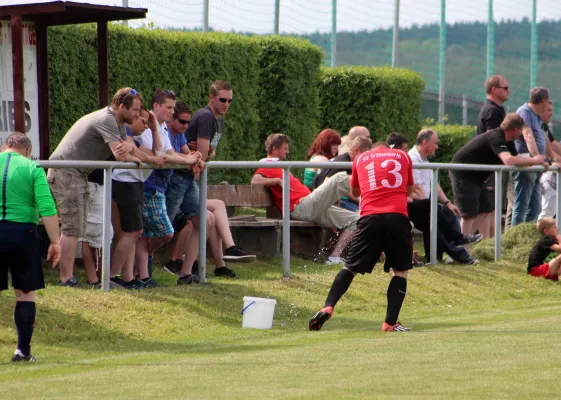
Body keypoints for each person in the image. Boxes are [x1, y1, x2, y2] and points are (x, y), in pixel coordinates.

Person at [309, 142, 415, 332]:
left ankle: (328, 305)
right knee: (400, 271)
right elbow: (408, 190)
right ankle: (390, 322)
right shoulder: (403, 156)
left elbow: (356, 192)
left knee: (350, 267)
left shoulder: (360, 159)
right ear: (388, 149)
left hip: (369, 217)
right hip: (397, 216)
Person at [48, 87, 143, 287]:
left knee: (77, 228)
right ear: (121, 106)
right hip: (66, 172)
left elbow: (129, 146)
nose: (137, 115)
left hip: (78, 173)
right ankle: (66, 279)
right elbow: (120, 154)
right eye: (135, 110)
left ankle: (68, 276)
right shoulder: (107, 119)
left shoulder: (119, 122)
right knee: (73, 227)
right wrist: (132, 154)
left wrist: (131, 149)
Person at [162, 102, 255, 282]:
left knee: (206, 219)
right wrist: (193, 157)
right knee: (162, 232)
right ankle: (166, 264)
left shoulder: (182, 134)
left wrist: (197, 156)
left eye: (188, 123)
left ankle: (187, 273)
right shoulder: (166, 131)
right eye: (182, 121)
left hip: (187, 181)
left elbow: (200, 155)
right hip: (172, 184)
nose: (186, 127)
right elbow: (170, 156)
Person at [251, 134, 359, 266]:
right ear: (274, 149)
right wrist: (278, 181)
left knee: (356, 219)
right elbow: (255, 181)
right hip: (300, 207)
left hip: (309, 205)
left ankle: (334, 257)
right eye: (285, 148)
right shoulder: (266, 165)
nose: (288, 151)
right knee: (340, 178)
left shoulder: (279, 165)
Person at [0, 132, 61, 362]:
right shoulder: (32, 168)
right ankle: (22, 351)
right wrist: (55, 242)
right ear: (27, 151)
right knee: (25, 294)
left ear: (4, 147)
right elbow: (47, 207)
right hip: (23, 233)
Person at [134, 90, 203, 286]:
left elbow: (171, 153)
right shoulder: (147, 127)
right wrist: (188, 158)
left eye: (173, 107)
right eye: (169, 107)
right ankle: (140, 270)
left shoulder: (162, 128)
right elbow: (160, 156)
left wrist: (193, 158)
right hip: (149, 186)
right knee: (163, 232)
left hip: (159, 187)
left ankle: (143, 273)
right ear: (156, 106)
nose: (172, 112)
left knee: (147, 234)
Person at [451, 113, 547, 234]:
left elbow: (518, 160)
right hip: (463, 174)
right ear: (515, 130)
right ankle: (459, 247)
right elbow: (508, 160)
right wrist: (534, 160)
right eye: (520, 131)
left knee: (485, 210)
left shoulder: (508, 141)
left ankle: (464, 241)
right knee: (468, 215)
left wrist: (540, 164)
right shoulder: (496, 136)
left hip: (477, 178)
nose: (520, 135)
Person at [110, 107, 165, 289]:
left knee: (131, 233)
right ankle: (111, 276)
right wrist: (152, 158)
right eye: (143, 121)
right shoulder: (125, 132)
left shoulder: (140, 137)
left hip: (133, 184)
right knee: (132, 232)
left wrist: (155, 129)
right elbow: (154, 156)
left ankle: (127, 278)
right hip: (125, 183)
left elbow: (160, 154)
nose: (146, 126)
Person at [408, 129, 481, 265]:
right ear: (425, 142)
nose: (437, 147)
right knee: (436, 212)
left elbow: (434, 184)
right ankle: (460, 247)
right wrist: (434, 205)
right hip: (412, 206)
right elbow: (417, 192)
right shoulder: (412, 160)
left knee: (444, 214)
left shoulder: (425, 161)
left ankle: (437, 257)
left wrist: (447, 202)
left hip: (424, 206)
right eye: (435, 143)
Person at [511, 87, 555, 226]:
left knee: (535, 207)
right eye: (548, 102)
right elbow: (528, 136)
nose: (549, 106)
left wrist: (552, 158)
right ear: (542, 101)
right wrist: (537, 158)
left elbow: (544, 139)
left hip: (536, 166)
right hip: (528, 163)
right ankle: (514, 242)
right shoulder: (524, 111)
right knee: (521, 205)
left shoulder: (536, 116)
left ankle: (528, 242)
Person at [476, 75, 510, 235]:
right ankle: (488, 243)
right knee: (489, 207)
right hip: (489, 164)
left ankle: (492, 243)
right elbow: (493, 139)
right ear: (494, 89)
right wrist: (507, 156)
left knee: (493, 206)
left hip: (492, 164)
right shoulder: (492, 110)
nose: (508, 90)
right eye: (505, 88)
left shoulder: (497, 109)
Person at [311, 136, 373, 212]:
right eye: (365, 155)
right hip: (325, 203)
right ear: (356, 151)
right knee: (363, 213)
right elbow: (350, 193)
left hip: (320, 199)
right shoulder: (345, 165)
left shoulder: (342, 159)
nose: (367, 158)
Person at [79, 168, 113, 289]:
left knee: (90, 233)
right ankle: (97, 278)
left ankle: (95, 278)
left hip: (93, 182)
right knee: (97, 231)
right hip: (94, 183)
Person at [538, 102, 561, 220]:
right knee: (545, 212)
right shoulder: (536, 124)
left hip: (546, 172)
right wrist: (554, 160)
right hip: (545, 175)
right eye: (548, 110)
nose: (551, 114)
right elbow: (547, 148)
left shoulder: (544, 126)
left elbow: (553, 144)